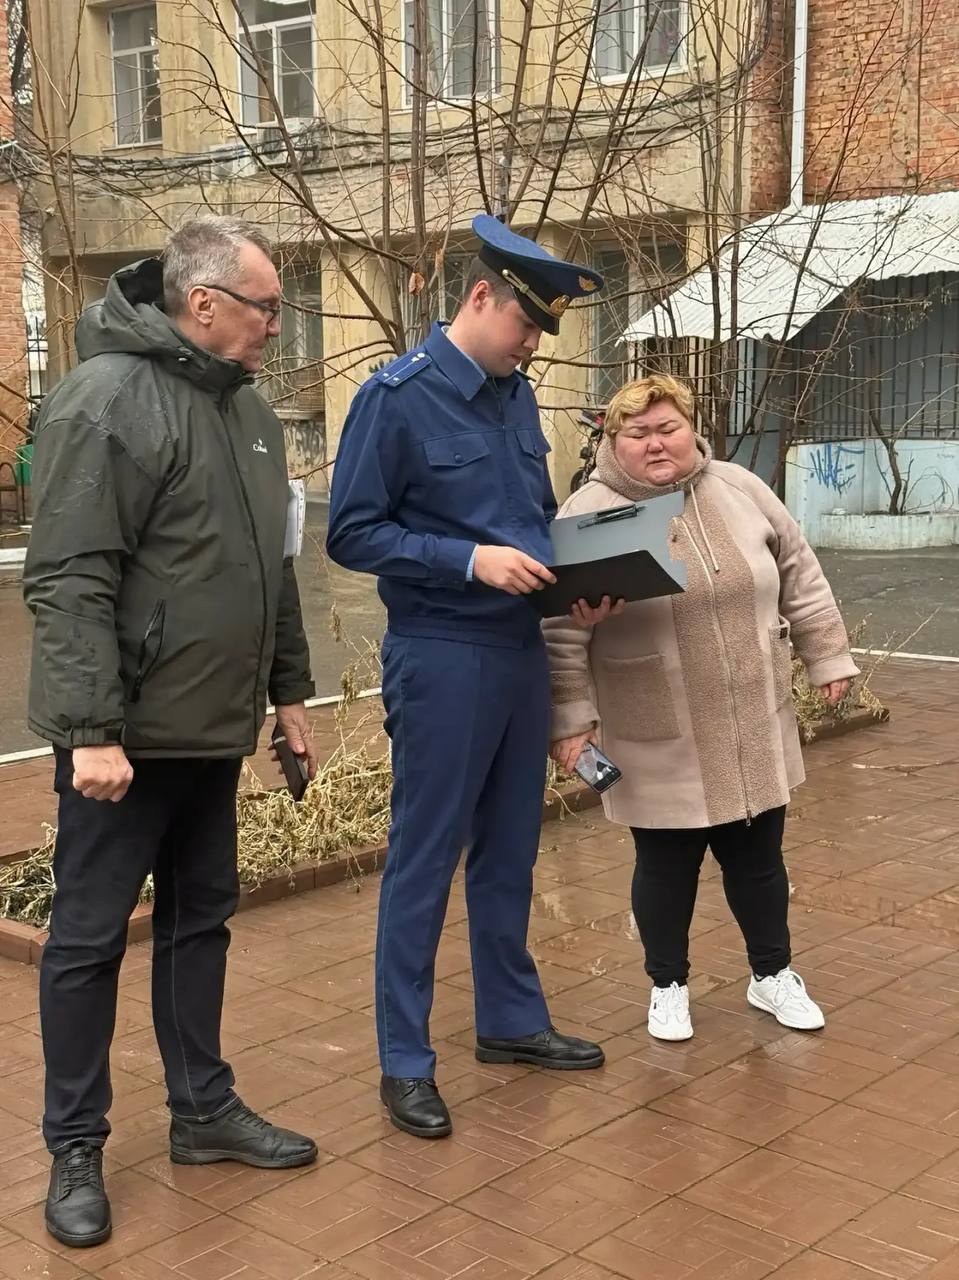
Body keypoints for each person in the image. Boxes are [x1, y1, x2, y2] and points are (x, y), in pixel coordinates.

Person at [23, 216, 320, 1250]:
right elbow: (69, 577)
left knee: (202, 922)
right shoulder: (105, 399)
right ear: (204, 303)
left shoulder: (249, 413)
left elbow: (273, 566)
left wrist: (290, 694)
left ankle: (201, 1109)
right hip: (124, 744)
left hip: (211, 730)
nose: (276, 324)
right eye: (265, 306)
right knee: (88, 941)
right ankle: (75, 1144)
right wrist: (91, 731)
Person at [326, 215, 607, 1140]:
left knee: (510, 849)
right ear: (479, 297)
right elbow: (351, 532)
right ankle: (405, 1060)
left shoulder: (514, 398)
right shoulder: (395, 398)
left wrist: (579, 583)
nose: (532, 346)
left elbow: (530, 519)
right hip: (443, 650)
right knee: (424, 857)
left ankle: (509, 1021)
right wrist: (467, 560)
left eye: (540, 333)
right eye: (525, 325)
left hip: (519, 650)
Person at [545, 374, 858, 1044]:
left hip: (751, 715)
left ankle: (771, 974)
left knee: (759, 862)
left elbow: (799, 572)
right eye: (638, 433)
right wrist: (571, 722)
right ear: (613, 441)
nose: (656, 444)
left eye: (669, 428)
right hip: (657, 725)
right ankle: (667, 985)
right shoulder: (587, 512)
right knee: (665, 867)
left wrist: (828, 656)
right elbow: (560, 633)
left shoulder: (739, 488)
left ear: (692, 429)